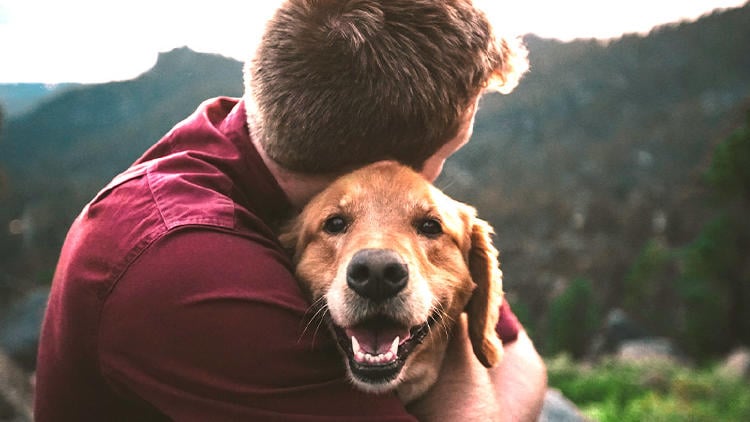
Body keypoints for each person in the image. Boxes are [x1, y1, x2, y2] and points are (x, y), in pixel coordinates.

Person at [34, 0, 546, 420]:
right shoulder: (187, 271)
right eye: (444, 156)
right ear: (382, 163)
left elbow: (520, 358)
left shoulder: (258, 136)